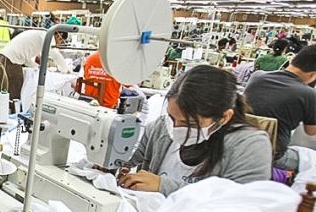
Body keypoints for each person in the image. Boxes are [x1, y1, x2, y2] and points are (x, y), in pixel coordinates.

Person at [120, 65, 272, 195]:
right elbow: (127, 159)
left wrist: (164, 186)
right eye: (172, 118)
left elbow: (240, 206)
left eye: (191, 124)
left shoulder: (250, 146)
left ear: (224, 117)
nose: (176, 128)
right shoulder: (159, 128)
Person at [244, 45, 316, 171]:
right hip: (274, 156)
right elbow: (311, 132)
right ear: (313, 75)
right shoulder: (309, 94)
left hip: (242, 145)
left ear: (292, 60)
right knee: (312, 160)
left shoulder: (257, 77)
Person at [0, 29, 70, 100]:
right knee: (15, 90)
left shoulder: (41, 35)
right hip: (11, 61)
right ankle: (13, 107)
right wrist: (66, 71)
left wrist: (36, 66)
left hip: (6, 58)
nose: (59, 44)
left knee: (9, 89)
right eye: (61, 41)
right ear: (59, 36)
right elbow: (55, 55)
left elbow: (26, 59)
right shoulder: (47, 37)